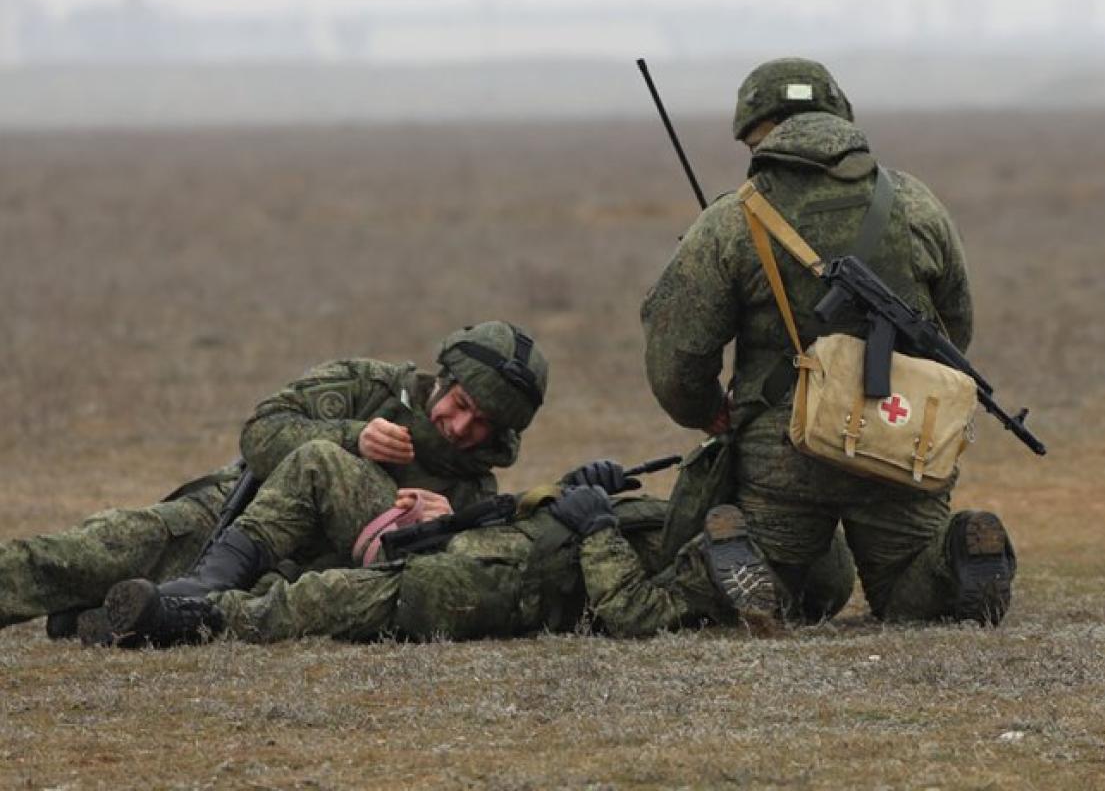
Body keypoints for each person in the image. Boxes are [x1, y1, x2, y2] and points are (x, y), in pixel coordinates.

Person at [640, 57, 1016, 625]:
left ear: (755, 133)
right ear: (839, 117)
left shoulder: (730, 221)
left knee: (766, 591)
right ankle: (957, 551)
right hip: (900, 438)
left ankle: (746, 560)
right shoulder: (915, 203)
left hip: (786, 449)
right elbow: (954, 329)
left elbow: (676, 358)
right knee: (912, 587)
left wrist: (707, 412)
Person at [0, 321, 548, 635]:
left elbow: (451, 575)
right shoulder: (367, 384)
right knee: (94, 551)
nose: (461, 427)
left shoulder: (476, 488)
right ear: (445, 378)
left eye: (482, 424)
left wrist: (445, 524)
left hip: (288, 575)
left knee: (174, 611)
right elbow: (260, 432)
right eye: (461, 404)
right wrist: (350, 437)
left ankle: (96, 620)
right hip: (227, 518)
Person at [87, 475, 857, 648]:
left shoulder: (733, 570)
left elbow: (632, 616)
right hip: (499, 548)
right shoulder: (718, 522)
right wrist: (571, 492)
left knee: (342, 600)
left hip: (510, 587)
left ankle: (189, 620)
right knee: (342, 569)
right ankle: (106, 615)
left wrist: (596, 532)